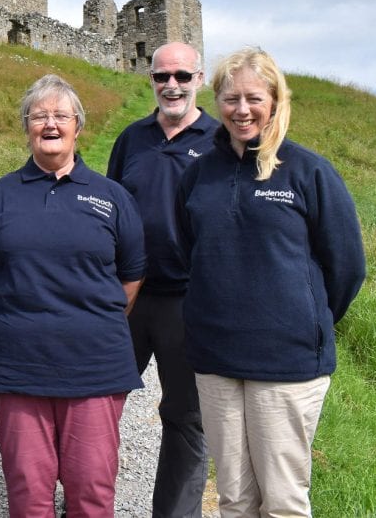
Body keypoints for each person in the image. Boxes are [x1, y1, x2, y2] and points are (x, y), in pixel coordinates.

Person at [176, 47, 366, 517]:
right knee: (236, 498)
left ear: (276, 99)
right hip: (216, 358)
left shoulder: (308, 171)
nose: (242, 110)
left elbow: (346, 267)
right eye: (231, 98)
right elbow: (190, 252)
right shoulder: (200, 175)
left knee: (282, 500)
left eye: (254, 98)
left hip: (287, 362)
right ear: (216, 100)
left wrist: (303, 319)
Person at [0, 73, 146, 518]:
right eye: (39, 116)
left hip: (96, 368)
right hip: (17, 368)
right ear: (26, 126)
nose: (50, 124)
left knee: (91, 491)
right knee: (28, 494)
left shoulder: (112, 197)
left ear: (78, 126)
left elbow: (131, 277)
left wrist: (88, 318)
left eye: (60, 115)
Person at [106, 41, 218, 518]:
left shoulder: (221, 141)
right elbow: (105, 211)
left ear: (199, 79)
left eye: (182, 76)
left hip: (189, 301)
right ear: (149, 80)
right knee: (98, 404)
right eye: (161, 77)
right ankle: (90, 502)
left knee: (186, 418)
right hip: (127, 296)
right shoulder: (132, 139)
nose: (171, 85)